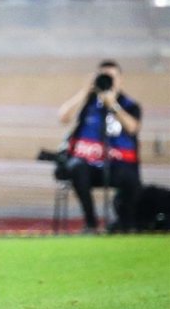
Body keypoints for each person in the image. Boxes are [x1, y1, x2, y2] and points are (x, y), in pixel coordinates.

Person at [57, 60, 142, 233]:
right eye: (104, 76)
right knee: (75, 167)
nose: (108, 80)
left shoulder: (129, 104)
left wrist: (113, 105)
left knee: (131, 179)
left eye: (112, 77)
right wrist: (84, 92)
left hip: (119, 166)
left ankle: (124, 224)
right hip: (90, 166)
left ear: (120, 79)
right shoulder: (88, 103)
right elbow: (63, 117)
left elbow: (133, 128)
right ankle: (91, 223)